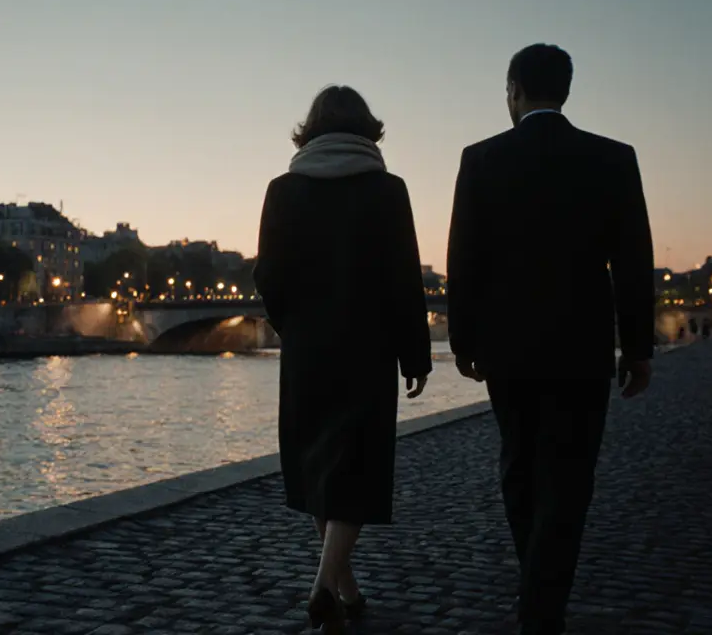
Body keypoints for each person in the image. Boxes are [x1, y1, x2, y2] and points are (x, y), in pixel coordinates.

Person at [446, 44, 655, 635]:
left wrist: (464, 341)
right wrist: (637, 347)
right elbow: (633, 262)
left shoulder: (480, 159)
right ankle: (544, 602)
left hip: (507, 345)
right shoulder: (613, 158)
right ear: (566, 91)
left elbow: (464, 259)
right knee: (570, 474)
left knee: (518, 463)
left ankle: (535, 581)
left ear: (513, 90)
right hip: (581, 345)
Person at [254, 85, 432, 633]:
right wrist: (414, 354)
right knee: (356, 466)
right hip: (369, 345)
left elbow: (268, 276)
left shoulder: (282, 190)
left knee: (316, 468)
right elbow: (405, 277)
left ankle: (341, 591)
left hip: (307, 348)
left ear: (309, 130)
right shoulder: (388, 189)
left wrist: (293, 327)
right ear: (368, 130)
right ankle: (327, 586)